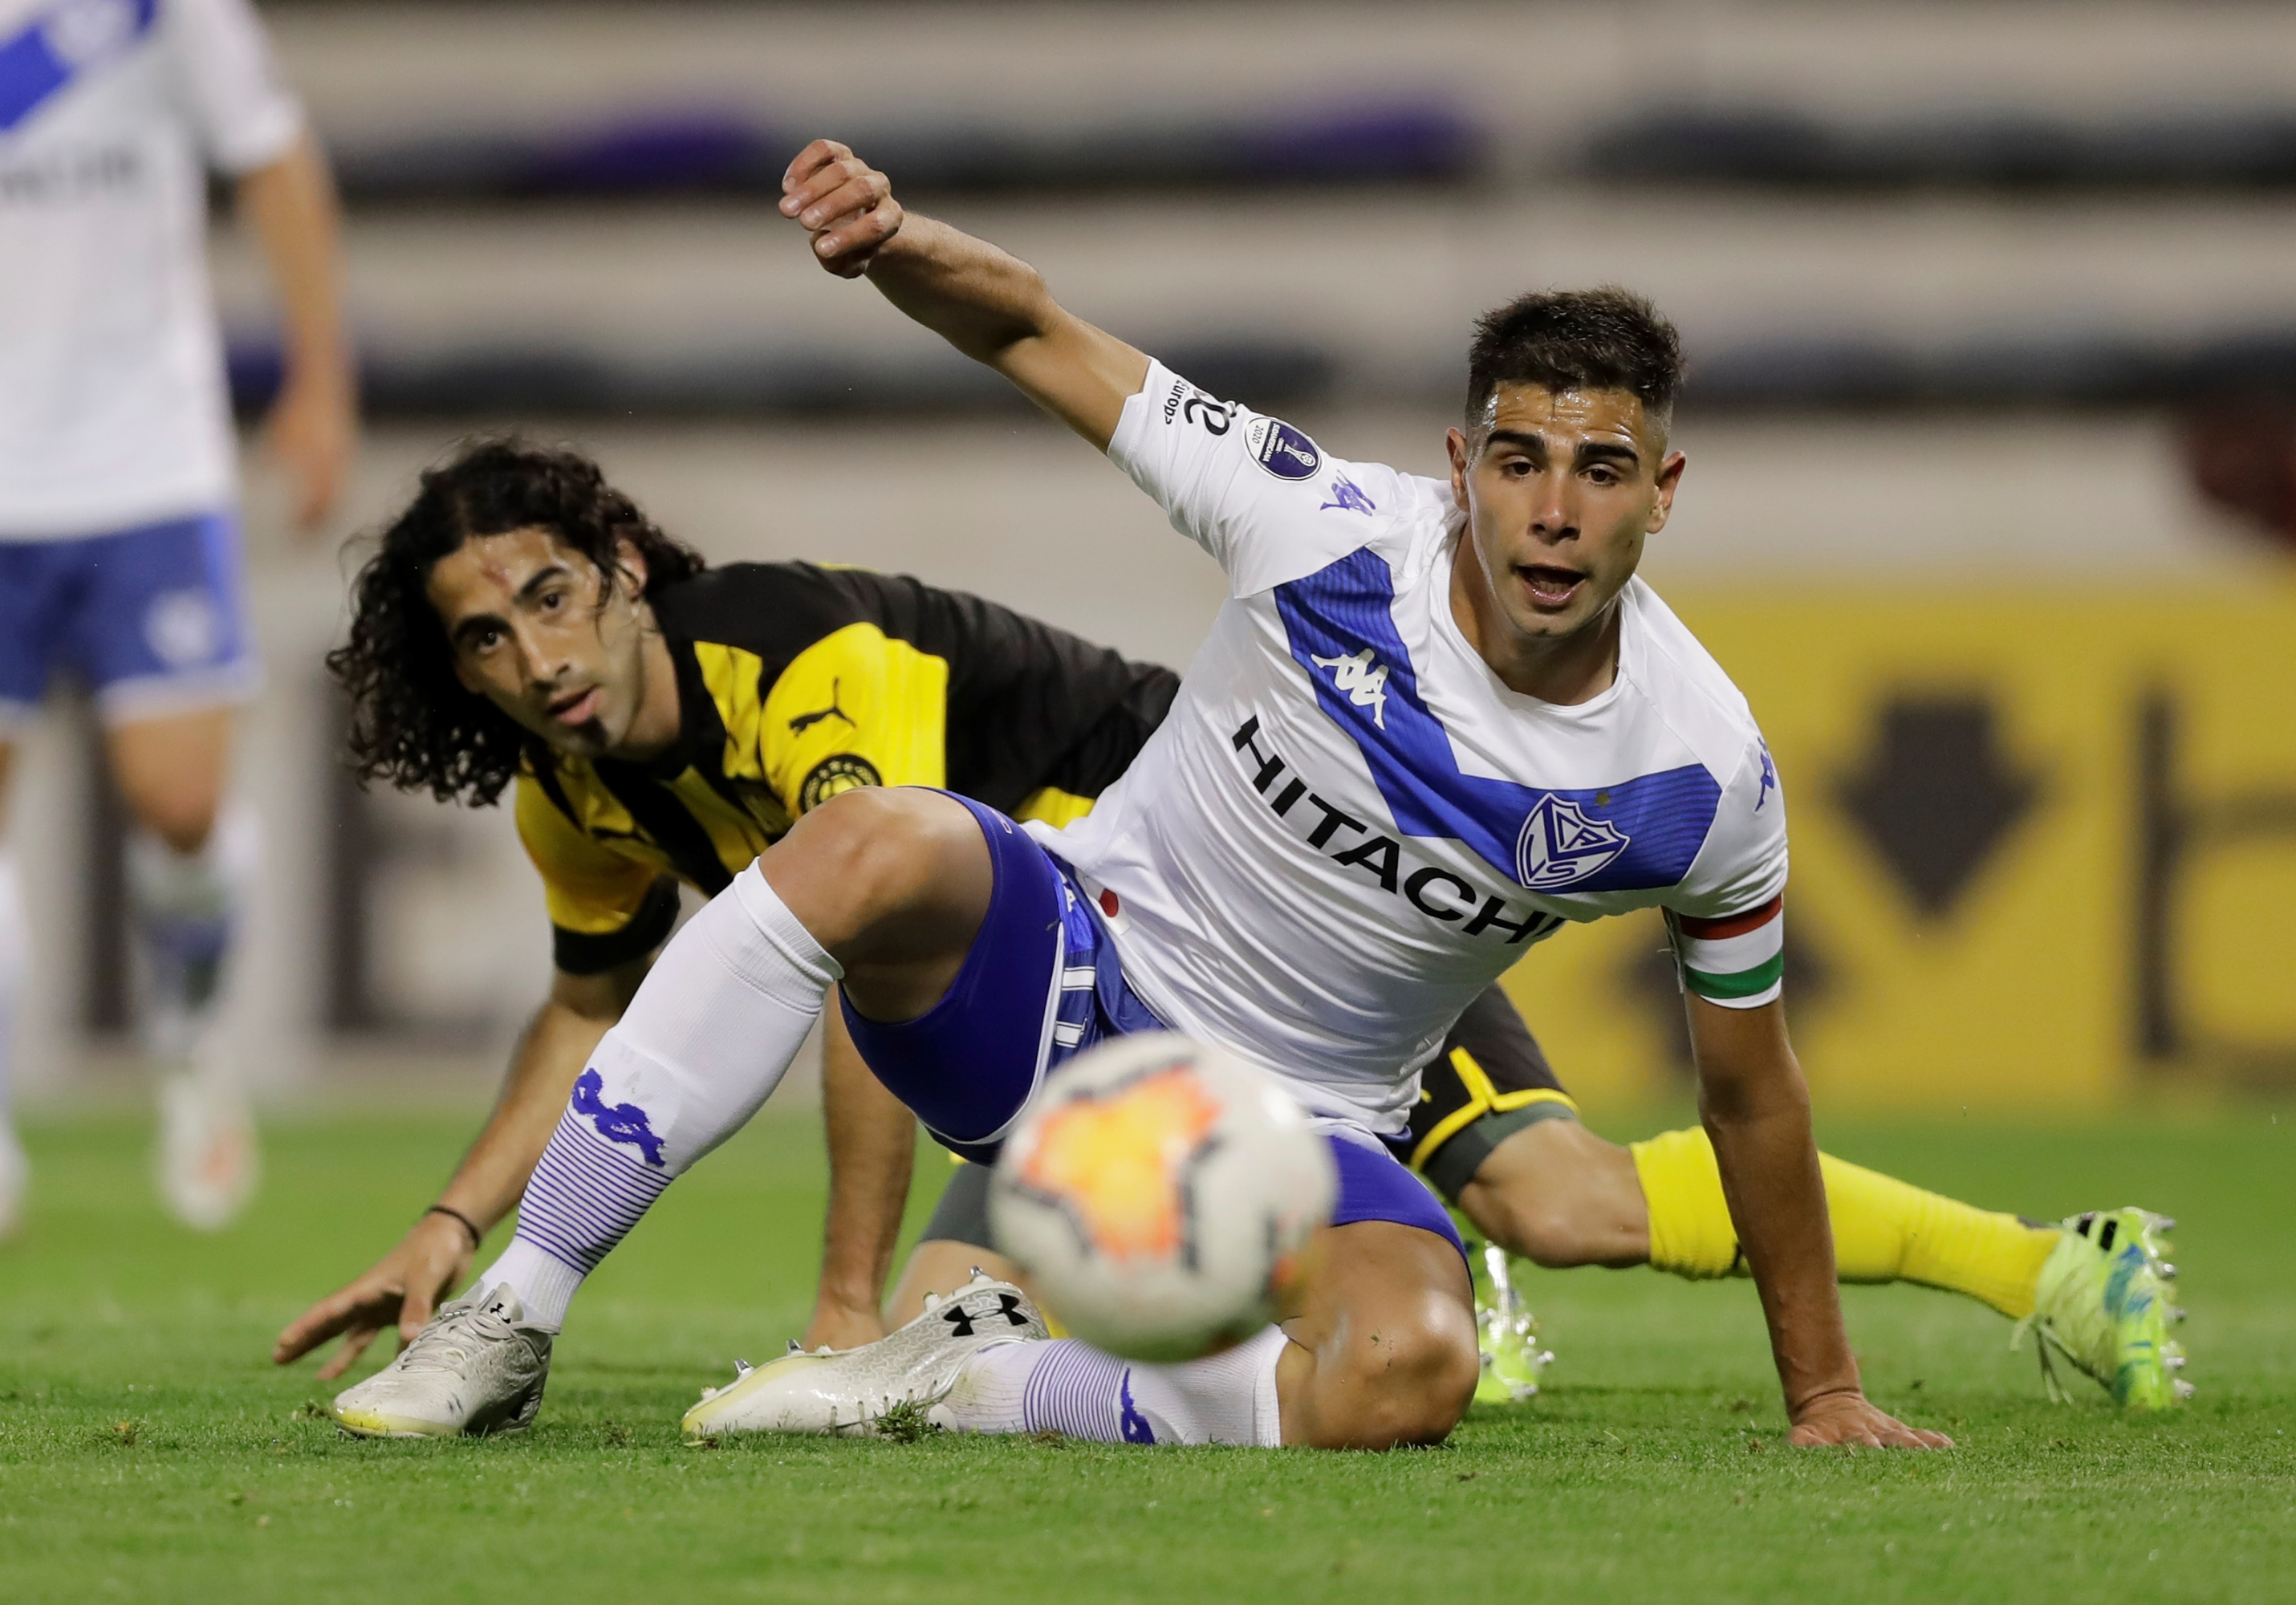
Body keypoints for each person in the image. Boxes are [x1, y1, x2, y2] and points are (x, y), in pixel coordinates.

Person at [271, 442, 2180, 1416]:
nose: (535, 657)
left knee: (1563, 1196)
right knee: (968, 1336)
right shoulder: (574, 795)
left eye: (550, 597)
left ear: (622, 570)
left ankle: (2041, 1270)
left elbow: (874, 958)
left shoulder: (790, 647)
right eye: (484, 638)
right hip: (1091, 1009)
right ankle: (1344, 1299)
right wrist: (448, 1223)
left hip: (1241, 917)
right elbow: (583, 1013)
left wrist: (835, 1309)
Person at [0, 0, 356, 1233]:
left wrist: (318, 378)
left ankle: (192, 1044)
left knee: (182, 804)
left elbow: (272, 151)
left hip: (148, 466)